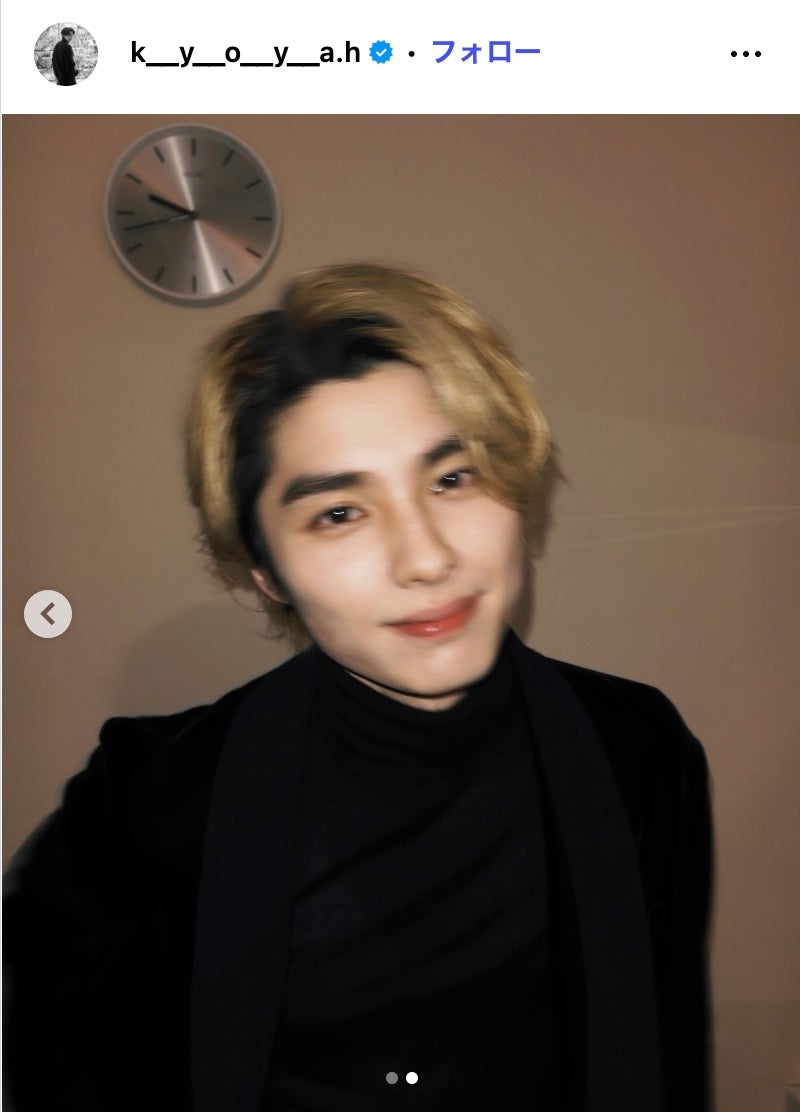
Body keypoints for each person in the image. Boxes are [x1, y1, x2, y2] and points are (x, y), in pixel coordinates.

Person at [3, 263, 713, 1112]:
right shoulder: (143, 803)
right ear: (266, 570)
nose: (427, 558)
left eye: (453, 478)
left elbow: (663, 1058)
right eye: (339, 512)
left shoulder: (637, 752)